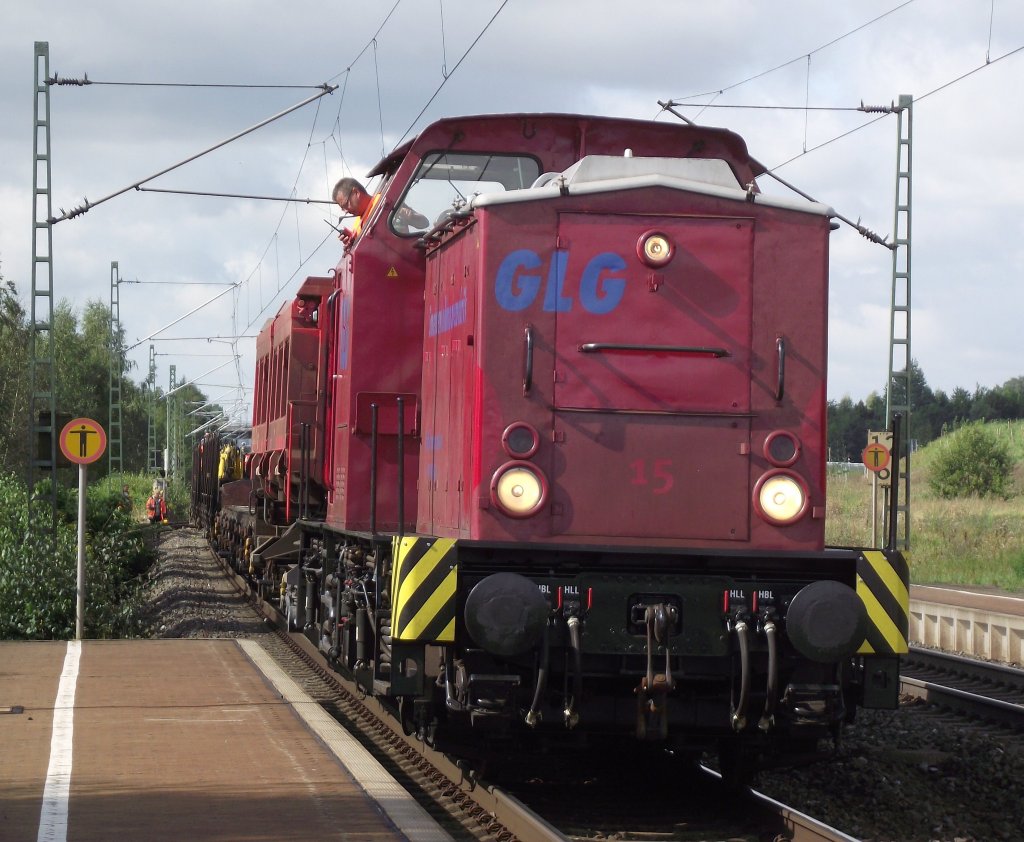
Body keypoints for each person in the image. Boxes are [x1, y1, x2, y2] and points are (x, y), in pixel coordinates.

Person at [332, 177, 427, 244]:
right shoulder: (356, 227)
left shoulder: (388, 202)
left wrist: (411, 216)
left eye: (346, 204)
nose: (346, 211)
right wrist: (349, 246)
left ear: (356, 192)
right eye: (342, 208)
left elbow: (424, 223)